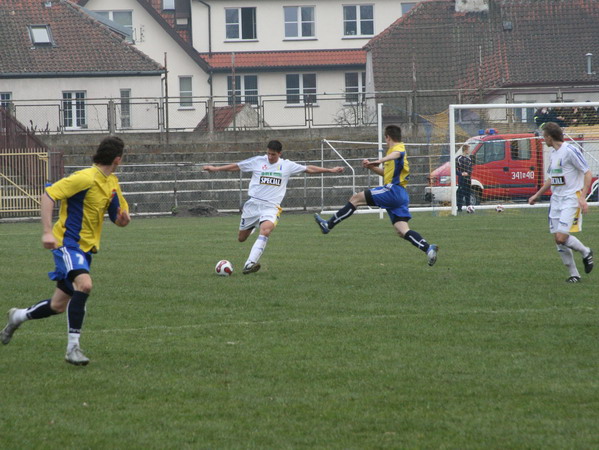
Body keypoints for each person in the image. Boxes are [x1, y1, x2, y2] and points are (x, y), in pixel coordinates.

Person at [1, 136, 131, 365]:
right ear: (117, 159)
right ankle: (73, 348)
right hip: (67, 244)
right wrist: (47, 231)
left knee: (57, 305)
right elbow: (49, 194)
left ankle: (18, 316)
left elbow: (118, 219)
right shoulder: (84, 178)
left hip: (86, 250)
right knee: (85, 285)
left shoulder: (112, 184)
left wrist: (123, 219)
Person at [203, 140, 343, 274]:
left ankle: (249, 263)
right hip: (252, 205)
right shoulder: (258, 161)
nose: (270, 157)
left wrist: (330, 170)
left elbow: (309, 169)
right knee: (241, 238)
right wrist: (216, 169)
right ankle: (253, 227)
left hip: (271, 207)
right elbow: (237, 166)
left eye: (273, 154)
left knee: (265, 230)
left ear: (280, 154)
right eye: (268, 153)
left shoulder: (287, 165)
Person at [314, 125, 439, 266]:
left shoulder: (398, 148)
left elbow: (398, 154)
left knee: (355, 199)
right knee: (402, 230)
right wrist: (372, 167)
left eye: (385, 139)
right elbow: (387, 174)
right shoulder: (394, 153)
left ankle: (328, 225)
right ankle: (428, 249)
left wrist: (380, 160)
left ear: (388, 137)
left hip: (392, 191)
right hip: (400, 195)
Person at [528, 122, 593, 282]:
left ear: (550, 137)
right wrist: (537, 195)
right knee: (558, 242)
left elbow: (587, 172)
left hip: (571, 198)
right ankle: (574, 275)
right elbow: (552, 178)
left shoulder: (570, 151)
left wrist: (583, 197)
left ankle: (586, 251)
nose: (544, 140)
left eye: (544, 137)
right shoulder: (554, 154)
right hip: (556, 200)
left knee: (561, 238)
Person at [456, 143, 473, 212]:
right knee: (460, 193)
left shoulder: (469, 159)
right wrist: (461, 174)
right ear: (465, 150)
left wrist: (468, 173)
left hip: (468, 179)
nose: (470, 151)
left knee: (468, 194)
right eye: (469, 149)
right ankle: (459, 208)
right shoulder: (458, 159)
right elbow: (455, 170)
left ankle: (468, 208)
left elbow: (470, 169)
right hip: (461, 179)